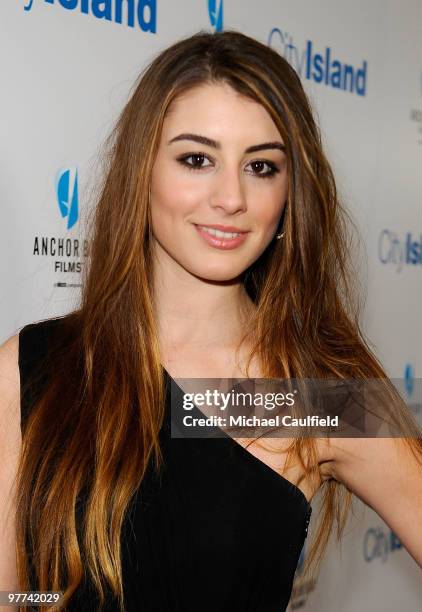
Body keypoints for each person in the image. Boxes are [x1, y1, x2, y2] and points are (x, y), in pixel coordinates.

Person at [1, 29, 421, 612]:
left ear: (289, 195)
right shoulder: (30, 366)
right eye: (197, 159)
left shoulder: (314, 392)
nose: (231, 197)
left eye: (262, 166)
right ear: (141, 170)